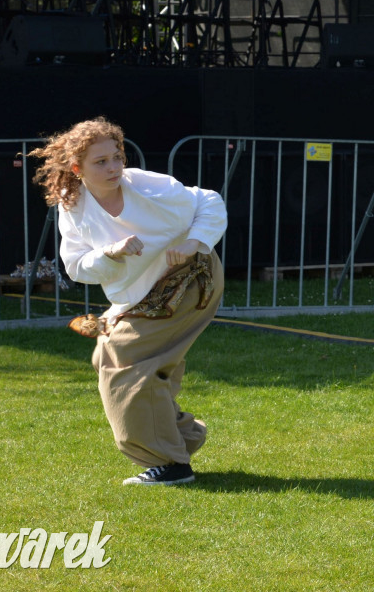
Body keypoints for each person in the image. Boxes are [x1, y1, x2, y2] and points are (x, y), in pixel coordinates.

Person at [29, 117, 228, 485]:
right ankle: (181, 435)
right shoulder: (73, 206)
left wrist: (193, 242)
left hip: (190, 278)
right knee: (106, 354)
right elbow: (76, 266)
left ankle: (169, 463)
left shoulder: (149, 186)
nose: (114, 168)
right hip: (139, 293)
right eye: (101, 162)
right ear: (77, 169)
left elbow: (209, 202)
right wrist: (110, 253)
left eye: (117, 157)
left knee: (125, 359)